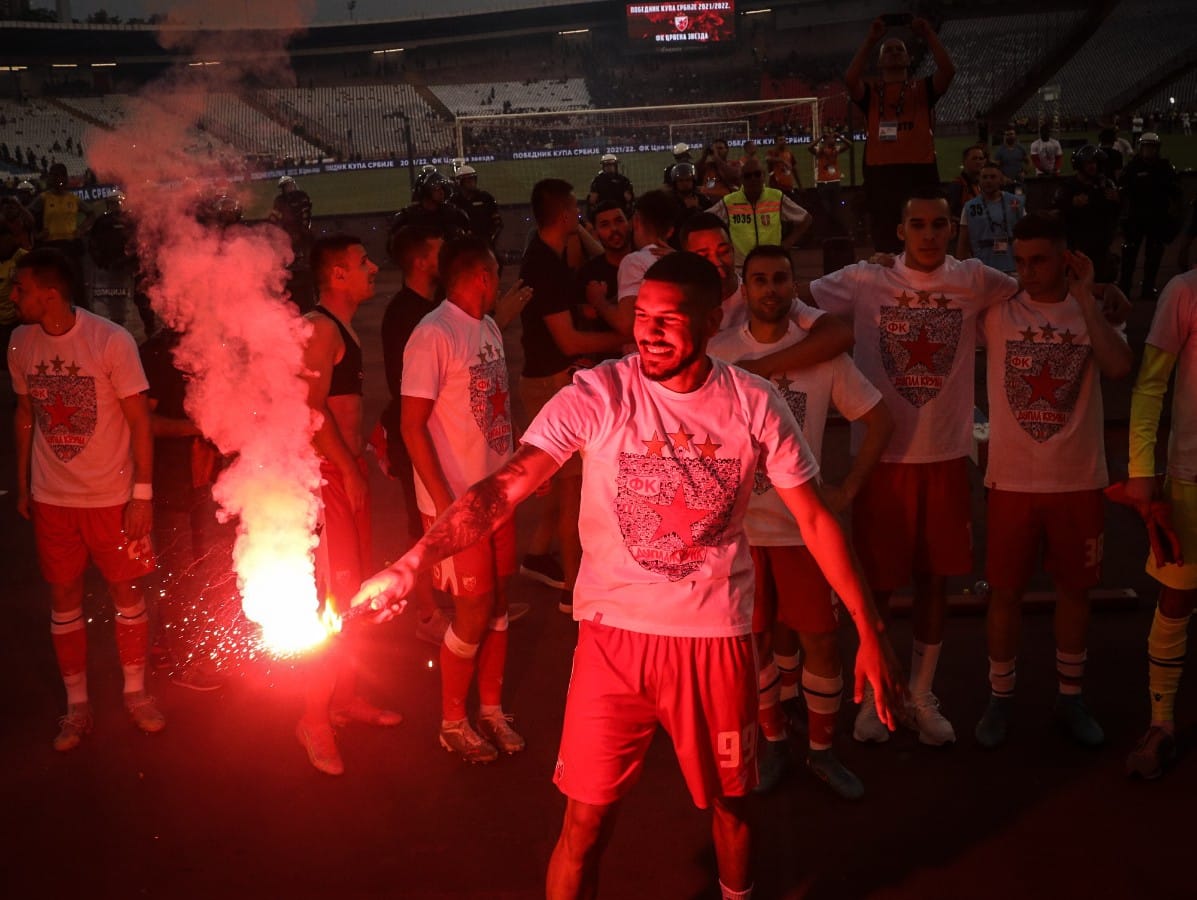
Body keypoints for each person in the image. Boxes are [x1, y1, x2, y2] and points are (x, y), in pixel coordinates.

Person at [351, 251, 904, 900]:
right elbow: (503, 487)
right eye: (641, 316)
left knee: (731, 808)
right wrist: (411, 562)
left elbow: (813, 521)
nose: (648, 332)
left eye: (669, 320)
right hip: (612, 642)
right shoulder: (598, 394)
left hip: (714, 640)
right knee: (583, 820)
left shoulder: (752, 405)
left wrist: (867, 630)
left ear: (709, 318)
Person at [809, 186, 1019, 745]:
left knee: (935, 581)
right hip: (881, 459)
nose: (929, 234)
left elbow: (1034, 293)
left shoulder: (974, 279)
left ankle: (921, 691)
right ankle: (880, 691)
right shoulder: (864, 281)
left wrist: (1099, 292)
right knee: (875, 586)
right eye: (918, 224)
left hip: (947, 454)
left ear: (953, 228)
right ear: (900, 232)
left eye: (939, 224)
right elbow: (789, 303)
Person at [709, 245, 893, 799]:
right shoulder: (719, 353)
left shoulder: (820, 355)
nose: (770, 289)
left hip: (801, 531)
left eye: (780, 279)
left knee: (820, 642)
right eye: (759, 279)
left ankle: (820, 750)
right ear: (745, 286)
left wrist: (847, 489)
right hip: (742, 535)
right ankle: (773, 743)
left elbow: (879, 419)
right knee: (756, 644)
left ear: (795, 285)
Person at [972, 213, 1132, 750]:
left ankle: (1070, 696)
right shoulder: (998, 311)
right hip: (1012, 482)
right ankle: (1000, 697)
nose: (1027, 272)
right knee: (1006, 593)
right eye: (1019, 261)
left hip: (1078, 478)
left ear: (1065, 259)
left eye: (1039, 260)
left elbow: (1117, 367)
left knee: (1075, 591)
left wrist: (1089, 297)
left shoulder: (1093, 313)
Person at [8, 247, 162, 751]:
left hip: (112, 499)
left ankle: (136, 693)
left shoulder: (109, 340)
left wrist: (141, 496)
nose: (13, 296)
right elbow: (26, 413)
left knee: (126, 594)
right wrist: (26, 481)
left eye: (21, 288)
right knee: (63, 597)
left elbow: (140, 421)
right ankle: (77, 706)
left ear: (49, 294)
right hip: (54, 500)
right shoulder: (19, 342)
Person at [400, 236, 526, 763]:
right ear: (482, 277)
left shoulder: (490, 328)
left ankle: (491, 709)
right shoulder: (432, 335)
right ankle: (453, 719)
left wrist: (519, 466)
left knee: (497, 603)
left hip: (498, 496)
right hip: (458, 506)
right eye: (497, 275)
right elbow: (411, 428)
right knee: (471, 611)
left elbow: (497, 410)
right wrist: (447, 506)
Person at [296, 234, 402, 776]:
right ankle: (314, 718)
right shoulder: (319, 329)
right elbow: (310, 412)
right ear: (337, 275)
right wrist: (344, 470)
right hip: (330, 482)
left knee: (355, 591)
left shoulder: (339, 328)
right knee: (332, 607)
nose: (373, 267)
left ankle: (344, 698)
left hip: (346, 476)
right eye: (362, 262)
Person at [519, 179, 626, 612]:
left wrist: (574, 224)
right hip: (550, 380)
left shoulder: (545, 251)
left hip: (545, 375)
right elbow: (569, 342)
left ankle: (538, 555)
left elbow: (594, 256)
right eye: (575, 210)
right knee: (571, 488)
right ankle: (572, 586)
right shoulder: (544, 265)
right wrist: (623, 337)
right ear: (565, 214)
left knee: (561, 481)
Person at [1124, 266, 1197, 778]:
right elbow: (1150, 386)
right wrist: (1142, 470)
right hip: (1192, 475)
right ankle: (1162, 720)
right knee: (1176, 595)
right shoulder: (1185, 290)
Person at [380, 225, 451, 646]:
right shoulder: (404, 315)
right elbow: (402, 387)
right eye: (440, 247)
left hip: (439, 431)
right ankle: (426, 612)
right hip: (415, 434)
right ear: (423, 260)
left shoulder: (434, 306)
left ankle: (471, 601)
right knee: (419, 521)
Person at [846, 16, 955, 253]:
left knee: (925, 236)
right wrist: (871, 40)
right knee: (886, 241)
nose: (894, 53)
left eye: (900, 49)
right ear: (879, 62)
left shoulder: (923, 89)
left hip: (920, 171)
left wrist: (928, 34)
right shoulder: (871, 92)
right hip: (881, 174)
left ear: (909, 58)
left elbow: (948, 70)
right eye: (888, 50)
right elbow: (850, 79)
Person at [710, 158, 811, 266]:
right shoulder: (729, 202)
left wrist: (785, 245)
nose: (753, 179)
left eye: (757, 174)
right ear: (741, 180)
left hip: (771, 262)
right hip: (741, 266)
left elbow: (806, 219)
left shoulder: (776, 197)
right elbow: (705, 220)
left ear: (764, 176)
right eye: (748, 176)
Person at [1118, 133, 1182, 301]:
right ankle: (1124, 288)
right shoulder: (1132, 167)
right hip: (1135, 218)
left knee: (1153, 255)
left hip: (1157, 218)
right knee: (1129, 255)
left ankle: (1148, 287)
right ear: (1141, 148)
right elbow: (1122, 191)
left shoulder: (1165, 167)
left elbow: (1175, 192)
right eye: (1146, 146)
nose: (1149, 150)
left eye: (1152, 147)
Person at [1053, 145, 1121, 282]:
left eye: (1095, 163)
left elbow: (1116, 212)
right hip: (1078, 246)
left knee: (1104, 282)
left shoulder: (1105, 184)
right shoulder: (1068, 186)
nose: (1093, 167)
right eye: (1089, 163)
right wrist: (1072, 204)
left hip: (1101, 246)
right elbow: (1056, 210)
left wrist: (1117, 200)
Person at [575, 201, 631, 358]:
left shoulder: (646, 262)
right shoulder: (588, 273)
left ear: (630, 223)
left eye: (619, 221)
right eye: (605, 225)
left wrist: (600, 302)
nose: (614, 229)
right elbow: (585, 321)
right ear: (596, 233)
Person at [956, 160, 1026, 274]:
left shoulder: (1016, 203)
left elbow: (1027, 235)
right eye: (984, 177)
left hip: (1014, 267)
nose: (988, 181)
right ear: (979, 180)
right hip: (983, 270)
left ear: (1001, 179)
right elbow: (963, 244)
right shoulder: (970, 207)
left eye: (993, 177)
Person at [389, 171, 470, 254]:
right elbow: (394, 247)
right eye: (436, 189)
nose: (441, 192)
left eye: (442, 188)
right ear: (425, 192)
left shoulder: (453, 213)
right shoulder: (408, 216)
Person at [269, 175, 315, 312]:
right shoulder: (291, 199)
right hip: (292, 234)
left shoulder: (292, 199)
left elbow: (305, 216)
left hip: (297, 233)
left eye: (287, 186)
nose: (287, 189)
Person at [447, 165, 503, 252]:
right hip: (462, 246)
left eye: (473, 179)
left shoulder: (486, 198)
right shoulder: (453, 201)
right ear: (460, 182)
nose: (471, 183)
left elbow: (497, 223)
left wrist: (489, 239)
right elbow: (450, 224)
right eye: (468, 180)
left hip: (484, 244)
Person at [809, 126, 852, 236]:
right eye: (831, 138)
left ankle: (836, 232)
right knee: (826, 209)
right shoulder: (821, 151)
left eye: (834, 138)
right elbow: (809, 148)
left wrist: (840, 137)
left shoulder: (835, 150)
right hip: (823, 184)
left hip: (835, 182)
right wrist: (820, 138)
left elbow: (850, 145)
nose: (833, 139)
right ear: (826, 140)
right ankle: (827, 232)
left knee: (836, 209)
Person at [946, 143, 987, 219]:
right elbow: (950, 215)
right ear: (964, 162)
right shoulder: (958, 185)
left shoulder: (981, 185)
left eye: (981, 159)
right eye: (974, 158)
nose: (978, 162)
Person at [587, 154, 634, 218]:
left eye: (611, 165)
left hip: (604, 213)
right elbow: (629, 200)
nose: (609, 167)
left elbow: (592, 201)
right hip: (619, 213)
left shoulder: (597, 181)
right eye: (608, 165)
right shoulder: (624, 180)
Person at [767, 133, 801, 199]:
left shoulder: (789, 153)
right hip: (776, 186)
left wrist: (800, 185)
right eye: (780, 140)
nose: (783, 141)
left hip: (788, 186)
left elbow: (794, 170)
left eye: (784, 139)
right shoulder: (772, 152)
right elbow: (768, 159)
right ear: (776, 142)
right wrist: (782, 161)